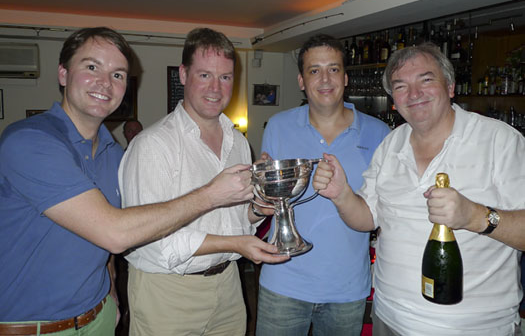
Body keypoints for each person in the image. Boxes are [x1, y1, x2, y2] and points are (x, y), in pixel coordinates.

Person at [0, 26, 280, 336]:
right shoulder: (30, 142)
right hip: (33, 325)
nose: (105, 82)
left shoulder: (111, 151)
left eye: (118, 74)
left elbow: (106, 236)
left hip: (106, 313)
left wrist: (257, 208)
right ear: (63, 73)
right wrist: (214, 199)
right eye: (92, 67)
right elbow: (118, 233)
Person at [313, 42, 525, 335]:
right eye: (401, 86)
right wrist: (342, 194)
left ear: (450, 87)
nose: (414, 94)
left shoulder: (500, 141)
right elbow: (368, 218)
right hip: (389, 317)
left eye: (426, 80)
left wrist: (475, 216)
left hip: (471, 327)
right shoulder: (391, 144)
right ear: (394, 100)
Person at [118, 27, 287, 336]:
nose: (215, 87)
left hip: (229, 286)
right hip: (168, 292)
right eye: (205, 75)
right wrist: (238, 244)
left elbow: (236, 219)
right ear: (183, 74)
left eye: (225, 77)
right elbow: (156, 241)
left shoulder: (237, 142)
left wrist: (258, 209)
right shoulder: (152, 145)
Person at [255, 34, 391, 336]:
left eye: (333, 69)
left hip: (347, 289)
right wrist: (260, 194)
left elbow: (381, 212)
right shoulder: (278, 125)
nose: (325, 79)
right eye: (314, 70)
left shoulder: (380, 133)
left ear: (345, 77)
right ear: (302, 81)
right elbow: (268, 203)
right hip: (283, 282)